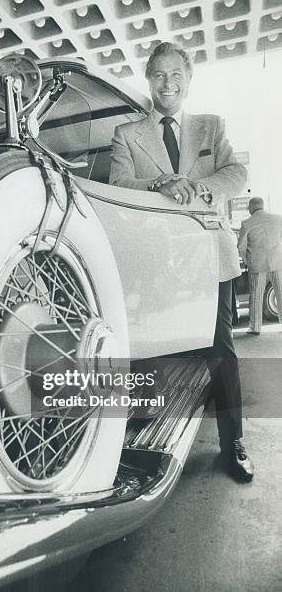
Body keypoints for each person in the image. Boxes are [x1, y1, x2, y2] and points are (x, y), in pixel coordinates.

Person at [110, 41, 254, 481]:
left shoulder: (211, 127)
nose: (167, 83)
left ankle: (234, 443)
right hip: (157, 259)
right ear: (148, 80)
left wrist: (198, 188)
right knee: (158, 349)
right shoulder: (126, 134)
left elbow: (236, 174)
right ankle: (145, 447)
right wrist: (161, 183)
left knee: (221, 350)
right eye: (158, 75)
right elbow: (119, 183)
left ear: (188, 81)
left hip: (210, 255)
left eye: (176, 75)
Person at [238, 196, 282, 334]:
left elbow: (240, 247)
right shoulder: (278, 219)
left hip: (257, 264)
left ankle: (255, 327)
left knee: (256, 296)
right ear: (262, 206)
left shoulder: (247, 223)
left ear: (251, 207)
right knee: (280, 293)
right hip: (277, 261)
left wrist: (246, 261)